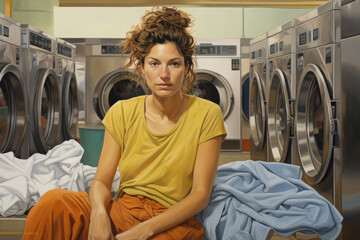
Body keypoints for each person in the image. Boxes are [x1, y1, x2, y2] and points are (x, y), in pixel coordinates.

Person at [22, 6, 226, 240]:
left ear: (187, 67)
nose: (164, 75)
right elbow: (101, 180)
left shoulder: (207, 113)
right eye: (154, 63)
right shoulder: (123, 112)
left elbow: (200, 195)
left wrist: (142, 231)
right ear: (141, 67)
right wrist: (99, 213)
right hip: (124, 209)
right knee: (53, 202)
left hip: (171, 220)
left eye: (174, 64)